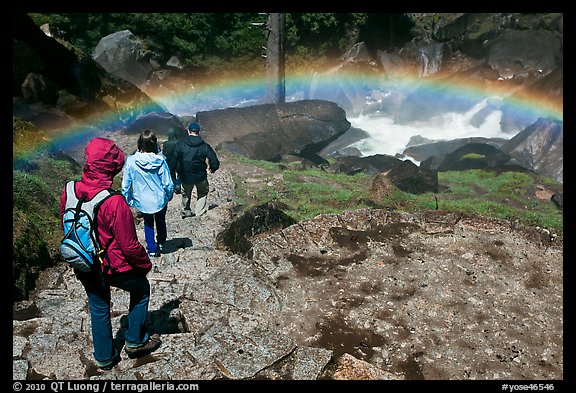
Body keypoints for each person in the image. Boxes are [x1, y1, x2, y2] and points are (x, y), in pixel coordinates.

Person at [59, 137, 161, 371]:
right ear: (112, 168)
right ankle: (135, 341)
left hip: (83, 260)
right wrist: (144, 266)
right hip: (112, 266)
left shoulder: (69, 190)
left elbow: (66, 224)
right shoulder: (114, 202)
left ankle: (104, 357)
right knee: (141, 289)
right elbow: (130, 246)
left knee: (98, 304)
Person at [122, 130, 174, 257]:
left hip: (142, 201)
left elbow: (125, 185)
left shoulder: (131, 161)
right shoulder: (160, 161)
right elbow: (168, 183)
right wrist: (169, 195)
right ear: (154, 144)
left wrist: (130, 200)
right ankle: (161, 243)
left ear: (139, 144)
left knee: (148, 222)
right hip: (160, 199)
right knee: (161, 221)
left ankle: (151, 248)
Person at [167, 121, 220, 218]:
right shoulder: (204, 146)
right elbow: (214, 161)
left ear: (188, 131)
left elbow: (172, 162)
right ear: (198, 132)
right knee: (202, 193)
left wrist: (173, 177)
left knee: (186, 194)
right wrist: (212, 169)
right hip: (201, 176)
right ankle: (199, 212)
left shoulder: (180, 144)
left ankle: (186, 211)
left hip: (185, 176)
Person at [162, 126, 187, 194]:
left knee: (172, 174)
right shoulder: (180, 142)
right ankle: (178, 184)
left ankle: (173, 185)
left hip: (169, 161)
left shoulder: (165, 144)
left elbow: (164, 153)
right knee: (180, 174)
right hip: (179, 161)